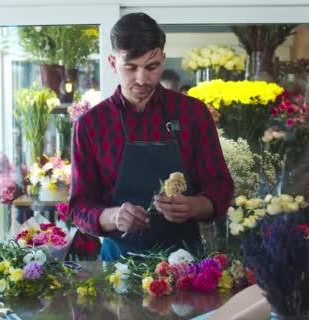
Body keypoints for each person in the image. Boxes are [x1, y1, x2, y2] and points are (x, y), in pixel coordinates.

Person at [69, 12, 234, 262]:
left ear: (163, 60)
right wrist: (114, 216)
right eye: (131, 67)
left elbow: (221, 187)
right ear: (113, 63)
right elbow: (79, 206)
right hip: (118, 266)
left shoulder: (193, 114)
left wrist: (194, 205)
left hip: (186, 265)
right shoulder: (91, 125)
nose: (142, 79)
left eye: (151, 67)